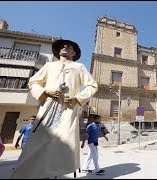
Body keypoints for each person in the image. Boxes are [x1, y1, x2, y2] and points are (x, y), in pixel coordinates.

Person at [11, 39, 98, 179]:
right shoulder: (49, 66)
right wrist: (46, 91)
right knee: (38, 141)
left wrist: (77, 98)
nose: (65, 47)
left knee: (62, 144)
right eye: (62, 47)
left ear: (74, 52)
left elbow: (92, 85)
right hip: (48, 109)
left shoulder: (79, 67)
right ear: (58, 51)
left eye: (69, 47)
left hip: (68, 109)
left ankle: (54, 174)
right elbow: (33, 82)